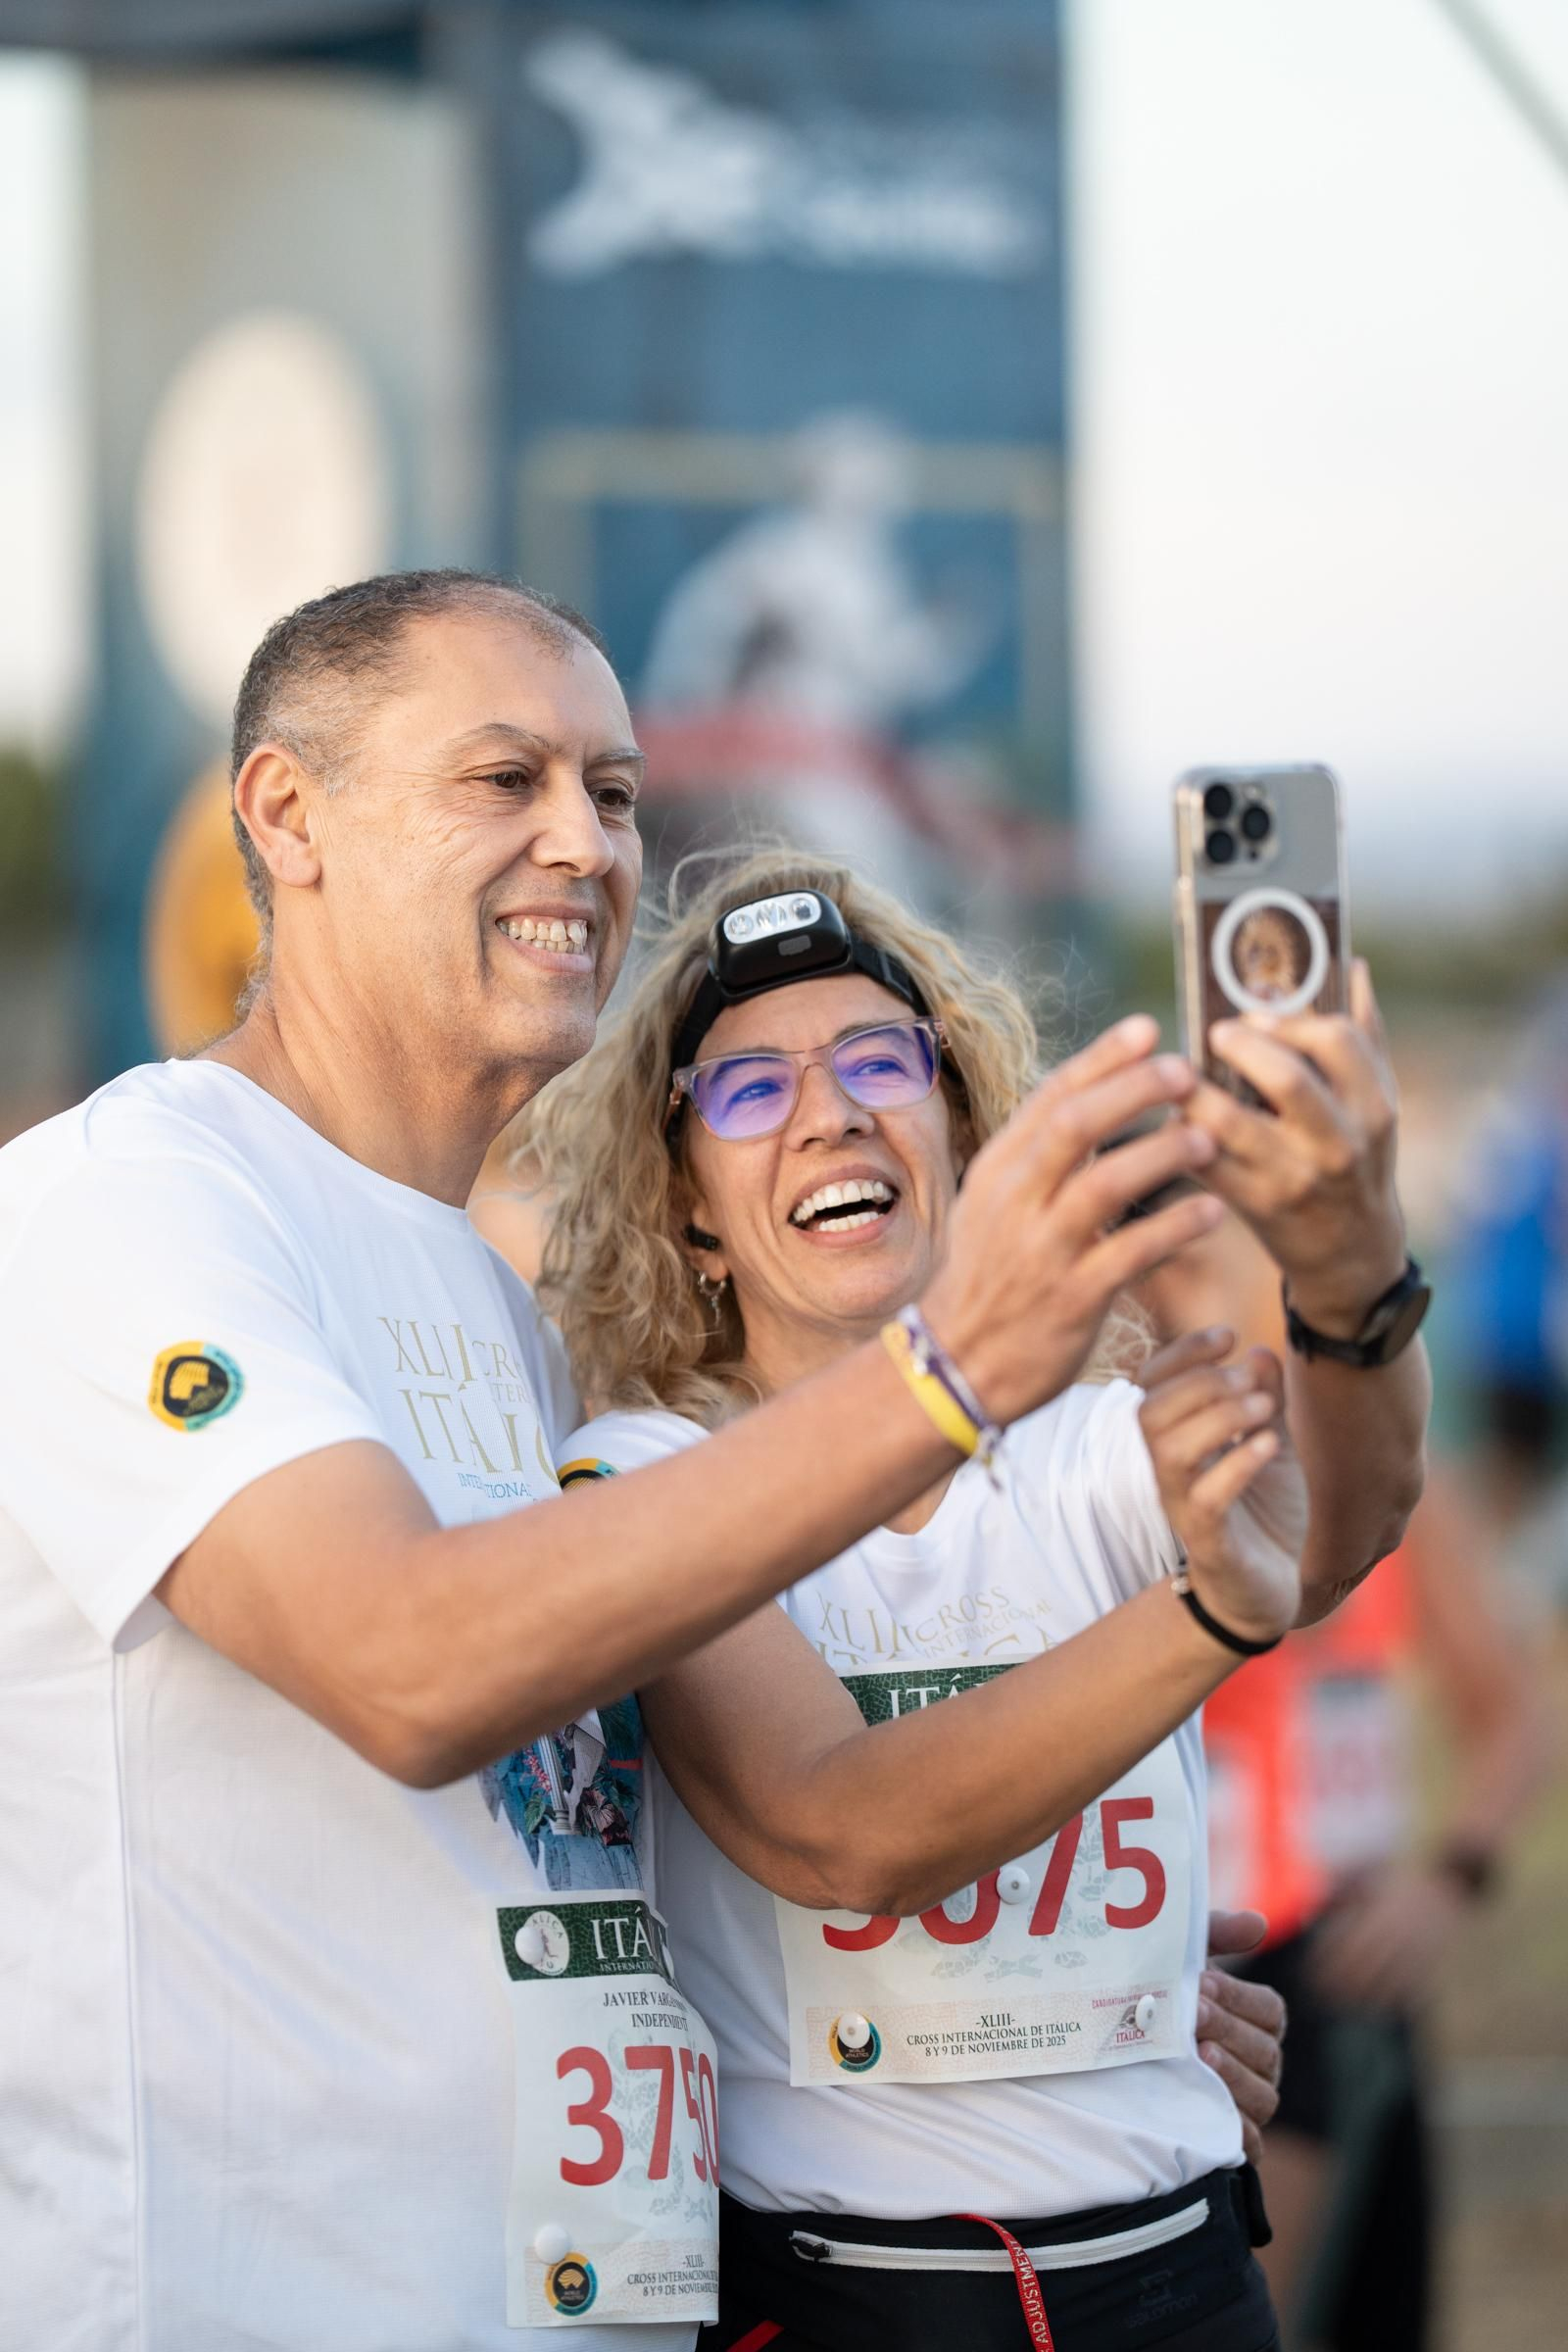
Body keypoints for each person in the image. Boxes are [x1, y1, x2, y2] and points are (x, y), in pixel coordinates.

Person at [0, 569, 1310, 2352]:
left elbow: (588, 1849)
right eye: (503, 779)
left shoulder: (496, 1308)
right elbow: (411, 1662)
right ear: (286, 818)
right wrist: (943, 1373)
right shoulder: (130, 1202)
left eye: (613, 793)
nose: (584, 842)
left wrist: (1069, 2001)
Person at [519, 846, 1430, 2352]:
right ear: (687, 1210)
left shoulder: (1090, 1444)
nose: (829, 1110)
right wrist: (1208, 1612)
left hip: (1184, 2280)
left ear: (958, 1124)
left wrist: (1350, 1271)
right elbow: (841, 1831)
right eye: (748, 1092)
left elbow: (1341, 1523)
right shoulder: (641, 1474)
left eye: (881, 1059)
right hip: (847, 2298)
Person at [1138, 1205, 1552, 2352]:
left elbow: (1513, 1715)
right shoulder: (1115, 1468)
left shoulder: (1392, 1464)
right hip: (1213, 1975)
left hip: (1354, 1967)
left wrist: (1446, 1883)